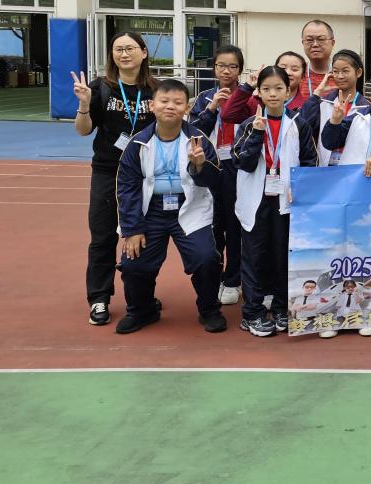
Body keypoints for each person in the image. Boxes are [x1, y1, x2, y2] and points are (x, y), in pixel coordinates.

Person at [114, 79, 226, 335]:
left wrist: (199, 166)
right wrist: (132, 229)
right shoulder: (137, 143)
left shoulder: (198, 140)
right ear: (152, 105)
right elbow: (127, 187)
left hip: (189, 208)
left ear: (187, 108)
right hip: (150, 212)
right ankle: (141, 311)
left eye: (177, 102)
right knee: (133, 263)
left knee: (207, 258)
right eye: (164, 101)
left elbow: (215, 181)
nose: (170, 107)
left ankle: (209, 310)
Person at [71, 31, 157, 327]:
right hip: (108, 171)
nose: (124, 54)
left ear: (143, 52)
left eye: (130, 48)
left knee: (145, 236)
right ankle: (99, 298)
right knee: (103, 236)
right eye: (118, 49)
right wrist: (84, 104)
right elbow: (83, 130)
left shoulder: (155, 90)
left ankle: (142, 297)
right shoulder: (101, 88)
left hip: (146, 174)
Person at [232, 66, 317, 338]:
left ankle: (281, 307)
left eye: (278, 88)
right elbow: (242, 162)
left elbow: (309, 162)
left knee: (283, 255)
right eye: (266, 88)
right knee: (254, 257)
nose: (272, 94)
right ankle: (252, 312)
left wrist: (300, 190)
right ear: (258, 91)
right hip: (255, 200)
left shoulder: (298, 124)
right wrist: (257, 134)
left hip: (286, 200)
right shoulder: (249, 125)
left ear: (288, 90)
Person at [188, 45, 246, 305]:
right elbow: (193, 131)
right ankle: (213, 277)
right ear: (213, 68)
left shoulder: (247, 96)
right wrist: (212, 108)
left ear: (240, 70)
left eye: (232, 66)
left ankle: (233, 279)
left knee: (234, 226)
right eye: (221, 65)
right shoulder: (204, 97)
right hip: (210, 166)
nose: (226, 71)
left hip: (237, 167)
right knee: (213, 225)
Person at [307, 49, 371, 167]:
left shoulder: (368, 107)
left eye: (345, 71)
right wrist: (318, 92)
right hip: (325, 168)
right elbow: (305, 125)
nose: (340, 76)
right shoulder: (323, 103)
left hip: (353, 169)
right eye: (335, 71)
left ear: (358, 72)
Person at [221, 50, 311, 126]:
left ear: (303, 76)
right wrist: (248, 87)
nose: (288, 72)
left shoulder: (306, 106)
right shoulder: (258, 102)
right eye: (283, 68)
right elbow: (228, 115)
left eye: (294, 69)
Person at [298, 19, 337, 97]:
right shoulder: (297, 74)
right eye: (309, 40)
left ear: (332, 43)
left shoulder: (342, 74)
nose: (315, 44)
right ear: (303, 43)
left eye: (321, 39)